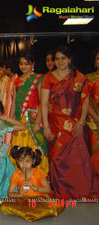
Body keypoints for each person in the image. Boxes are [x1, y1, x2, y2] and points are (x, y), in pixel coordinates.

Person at [41, 45, 99, 199]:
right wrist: (45, 127)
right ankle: (62, 191)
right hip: (55, 125)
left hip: (75, 125)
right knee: (57, 158)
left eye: (63, 58)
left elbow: (85, 101)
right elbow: (44, 103)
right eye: (57, 59)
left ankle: (79, 191)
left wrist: (81, 122)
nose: (60, 62)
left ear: (69, 59)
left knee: (77, 159)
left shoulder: (79, 78)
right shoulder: (48, 78)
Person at [1, 146, 63, 222]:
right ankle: (30, 213)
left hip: (39, 200)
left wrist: (34, 187)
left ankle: (30, 213)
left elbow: (48, 190)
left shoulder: (38, 173)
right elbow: (10, 194)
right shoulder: (16, 175)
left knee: (51, 209)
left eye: (27, 161)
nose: (24, 164)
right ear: (17, 161)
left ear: (33, 161)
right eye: (21, 161)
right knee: (4, 206)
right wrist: (19, 194)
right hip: (23, 200)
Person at [9, 53, 48, 173]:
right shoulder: (17, 81)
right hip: (19, 120)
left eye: (27, 64)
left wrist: (37, 122)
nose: (23, 66)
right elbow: (14, 102)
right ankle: (19, 178)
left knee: (34, 149)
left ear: (33, 64)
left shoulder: (39, 78)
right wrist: (9, 120)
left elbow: (43, 102)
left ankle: (37, 179)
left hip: (33, 120)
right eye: (21, 64)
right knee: (17, 148)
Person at [86, 48, 99, 185]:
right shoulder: (88, 79)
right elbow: (85, 102)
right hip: (94, 123)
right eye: (98, 58)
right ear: (95, 62)